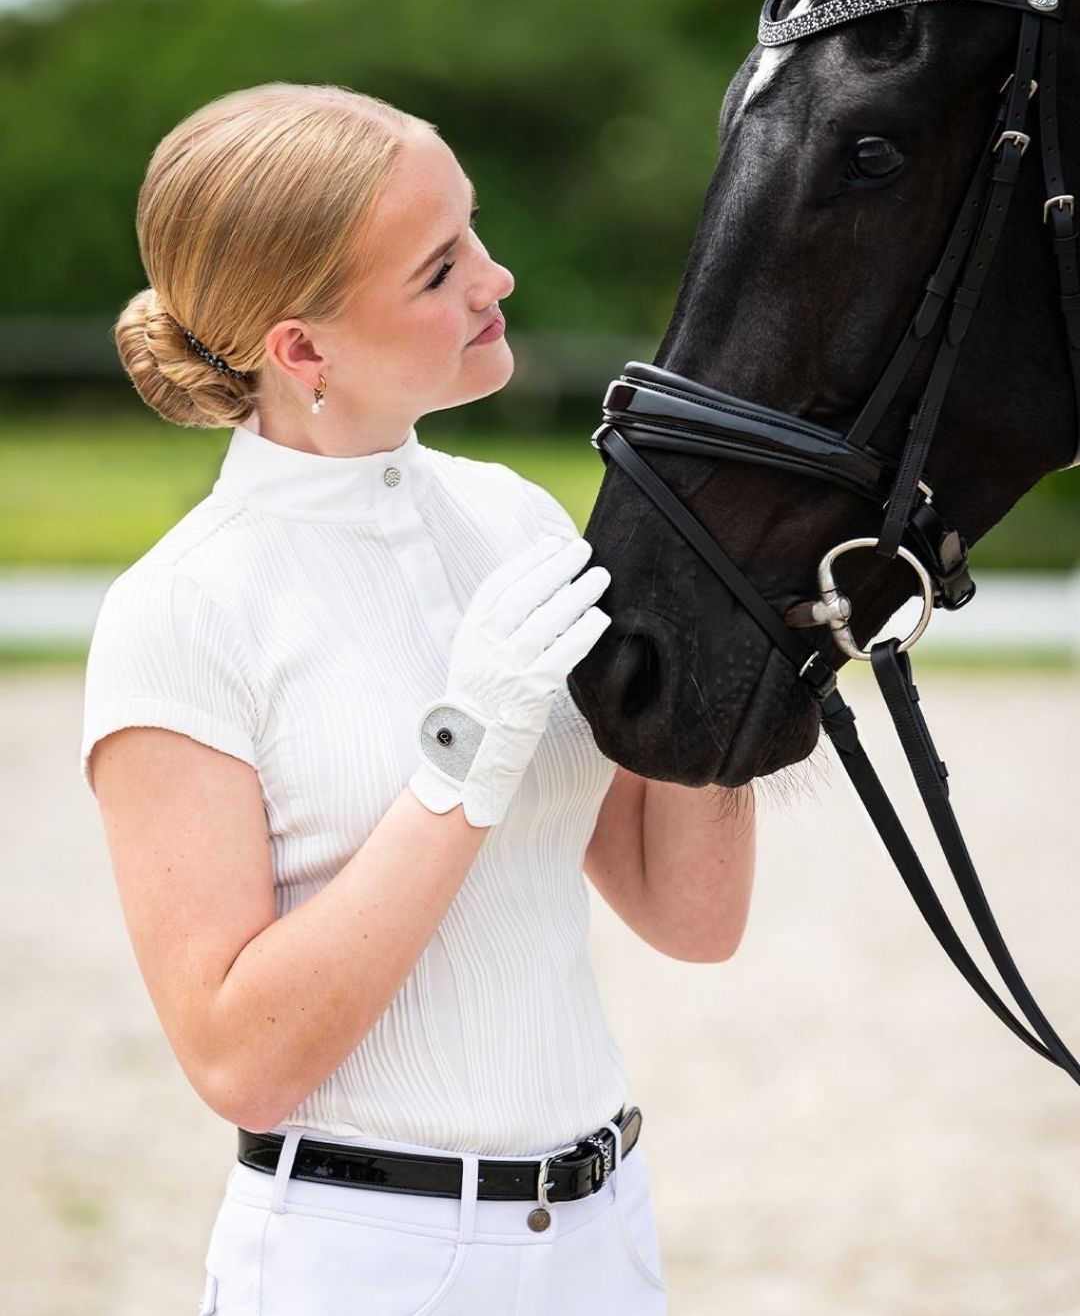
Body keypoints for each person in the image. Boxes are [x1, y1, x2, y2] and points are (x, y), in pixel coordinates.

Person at [80, 81, 754, 1315]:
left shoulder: (515, 519)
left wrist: (745, 660)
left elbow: (690, 915)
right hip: (370, 1261)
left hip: (604, 1233)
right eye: (439, 269)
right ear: (300, 348)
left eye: (475, 232)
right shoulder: (181, 612)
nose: (496, 280)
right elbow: (240, 1061)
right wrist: (461, 756)